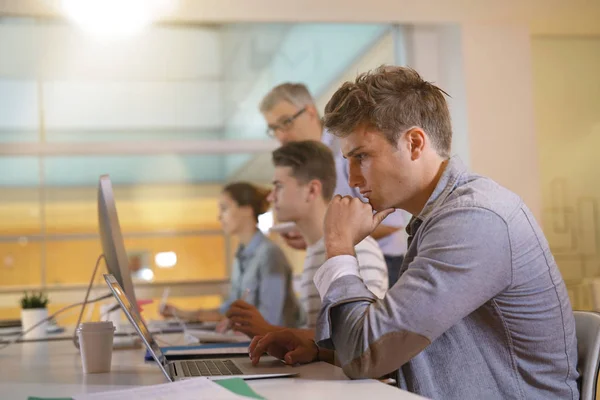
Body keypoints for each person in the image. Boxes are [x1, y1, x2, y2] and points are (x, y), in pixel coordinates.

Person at [247, 66, 579, 399]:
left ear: (414, 143)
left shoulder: (475, 219)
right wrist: (321, 351)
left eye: (361, 156)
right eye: (348, 158)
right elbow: (402, 346)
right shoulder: (438, 218)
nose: (352, 177)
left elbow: (367, 354)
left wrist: (338, 244)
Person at [226, 141, 388, 338]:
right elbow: (319, 336)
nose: (270, 197)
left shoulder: (357, 249)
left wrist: (267, 330)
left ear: (312, 190)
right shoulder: (314, 249)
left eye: (279, 186)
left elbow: (360, 338)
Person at [260, 83, 408, 286]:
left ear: (310, 112)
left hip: (382, 264)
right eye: (273, 129)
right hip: (340, 260)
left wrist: (327, 235)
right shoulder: (307, 162)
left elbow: (391, 221)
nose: (281, 136)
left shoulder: (347, 149)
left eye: (285, 122)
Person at [160, 182, 302, 329]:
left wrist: (233, 323)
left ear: (247, 210)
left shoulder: (270, 255)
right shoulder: (240, 256)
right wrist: (183, 314)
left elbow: (270, 319)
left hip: (275, 348)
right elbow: (230, 308)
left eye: (224, 208)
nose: (219, 216)